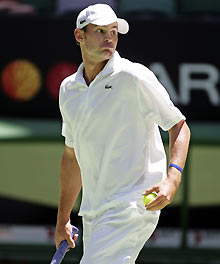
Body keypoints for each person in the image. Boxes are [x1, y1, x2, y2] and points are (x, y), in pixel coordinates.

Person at [55, 3, 191, 263]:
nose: (109, 38)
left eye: (114, 32)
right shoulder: (68, 89)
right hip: (94, 213)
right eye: (101, 31)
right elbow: (72, 157)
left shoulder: (133, 76)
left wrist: (172, 180)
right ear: (79, 36)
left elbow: (179, 126)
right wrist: (63, 219)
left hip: (132, 204)